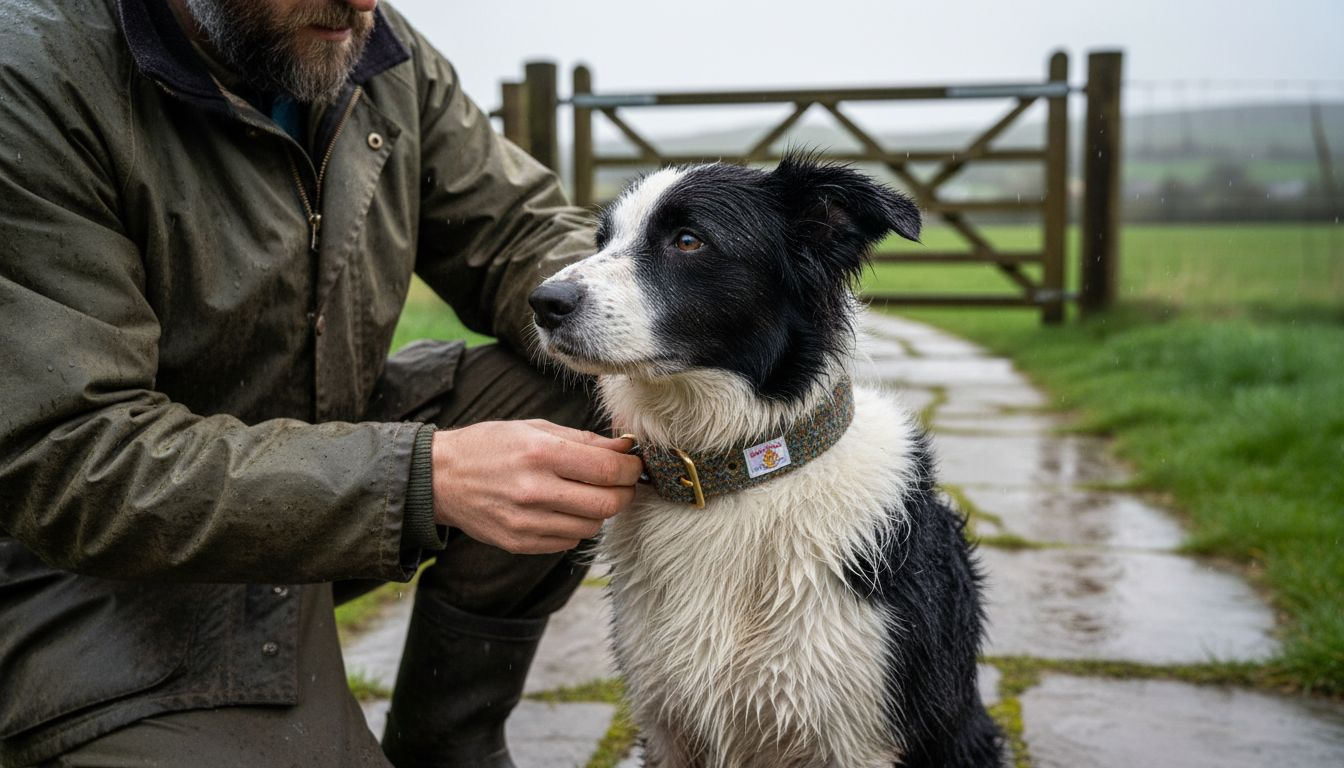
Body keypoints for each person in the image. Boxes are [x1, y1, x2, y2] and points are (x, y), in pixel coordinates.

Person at [0, 0, 644, 765]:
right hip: (90, 572)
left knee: (588, 380)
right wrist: (419, 479)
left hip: (313, 477)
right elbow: (69, 455)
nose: (365, 2)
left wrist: (667, 310)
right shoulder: (31, 77)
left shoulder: (372, 49)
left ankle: (447, 746)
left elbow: (515, 231)